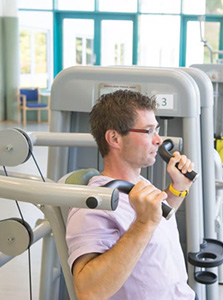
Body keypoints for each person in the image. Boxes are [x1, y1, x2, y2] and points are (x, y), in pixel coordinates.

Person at [66, 90, 196, 300]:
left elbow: (158, 221)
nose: (158, 140)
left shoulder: (139, 184)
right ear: (115, 138)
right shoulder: (96, 204)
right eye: (148, 131)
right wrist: (143, 224)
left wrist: (177, 189)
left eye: (157, 130)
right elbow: (88, 291)